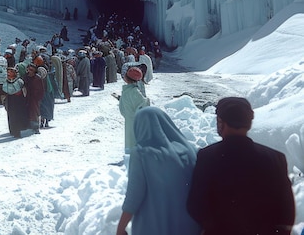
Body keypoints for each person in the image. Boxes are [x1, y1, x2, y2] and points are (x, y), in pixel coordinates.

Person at [187, 97, 295, 235]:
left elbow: (195, 205)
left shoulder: (207, 156)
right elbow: (286, 210)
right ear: (249, 124)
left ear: (221, 123)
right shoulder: (275, 158)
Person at [115, 107, 201, 235]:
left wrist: (120, 228)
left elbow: (134, 195)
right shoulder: (190, 151)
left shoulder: (141, 153)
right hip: (189, 226)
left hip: (153, 226)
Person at [118, 66, 149, 152]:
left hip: (133, 121)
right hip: (131, 120)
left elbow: (143, 104)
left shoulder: (134, 92)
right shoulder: (130, 91)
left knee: (132, 140)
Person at [2, 66, 28, 138]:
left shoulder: (19, 81)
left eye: (11, 72)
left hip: (19, 100)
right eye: (8, 72)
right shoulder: (6, 81)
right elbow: (4, 90)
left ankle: (19, 130)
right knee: (11, 115)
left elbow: (24, 90)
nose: (9, 73)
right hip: (10, 100)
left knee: (18, 115)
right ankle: (13, 130)